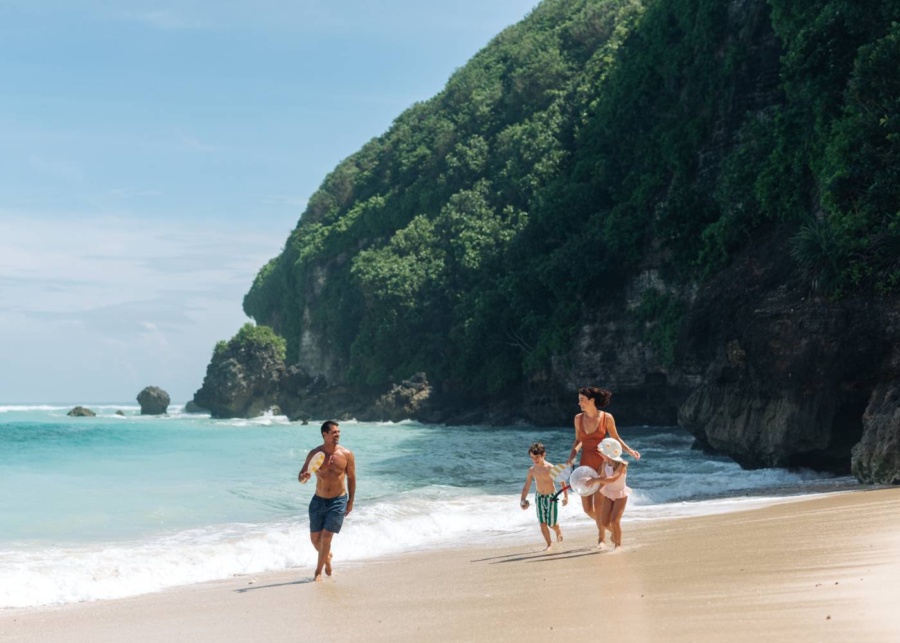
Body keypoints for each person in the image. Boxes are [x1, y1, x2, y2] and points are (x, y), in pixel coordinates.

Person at [568, 386, 639, 548]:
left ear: (592, 401)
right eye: (579, 400)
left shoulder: (607, 418)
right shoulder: (578, 418)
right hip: (584, 465)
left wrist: (629, 450)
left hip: (602, 464)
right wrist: (571, 457)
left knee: (599, 506)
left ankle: (601, 539)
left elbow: (616, 438)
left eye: (582, 400)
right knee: (587, 508)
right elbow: (578, 440)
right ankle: (610, 530)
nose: (579, 403)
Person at [298, 420, 356, 582]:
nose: (338, 434)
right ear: (325, 435)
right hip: (318, 501)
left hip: (338, 500)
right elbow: (301, 477)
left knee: (326, 538)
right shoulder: (314, 454)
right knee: (315, 539)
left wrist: (350, 501)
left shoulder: (346, 454)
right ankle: (327, 559)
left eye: (339, 432)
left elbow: (351, 478)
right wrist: (304, 477)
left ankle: (318, 572)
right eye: (334, 432)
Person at [584, 437, 632, 550]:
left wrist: (596, 480)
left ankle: (618, 545)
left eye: (602, 452)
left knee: (615, 521)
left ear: (608, 453)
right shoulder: (605, 463)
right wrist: (592, 479)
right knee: (605, 523)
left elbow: (612, 479)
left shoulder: (621, 465)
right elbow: (603, 477)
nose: (600, 454)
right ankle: (615, 534)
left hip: (620, 495)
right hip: (609, 494)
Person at [519, 442, 568, 550]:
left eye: (537, 457)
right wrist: (522, 499)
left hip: (552, 498)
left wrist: (565, 497)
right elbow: (526, 486)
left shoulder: (550, 468)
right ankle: (549, 544)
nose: (535, 460)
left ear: (543, 455)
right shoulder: (532, 470)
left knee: (551, 524)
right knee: (542, 523)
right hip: (539, 498)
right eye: (532, 457)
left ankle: (558, 529)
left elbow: (562, 482)